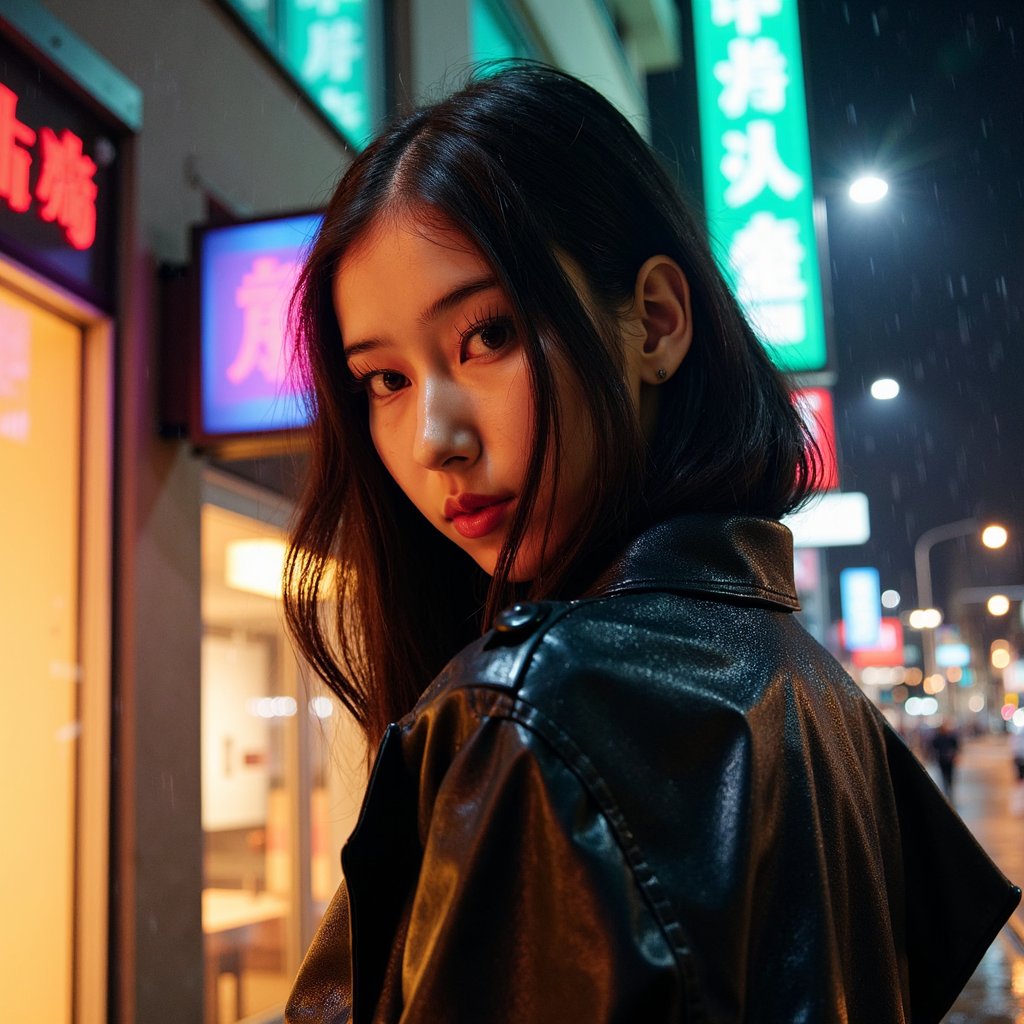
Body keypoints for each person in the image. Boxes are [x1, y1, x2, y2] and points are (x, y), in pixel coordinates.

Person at [282, 64, 1018, 1024]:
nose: (434, 438)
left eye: (487, 335)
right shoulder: (809, 689)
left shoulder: (539, 711)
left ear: (656, 323)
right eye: (384, 381)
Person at [931, 718, 961, 799]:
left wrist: (955, 756)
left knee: (949, 775)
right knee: (944, 775)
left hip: (949, 760)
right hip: (942, 759)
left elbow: (956, 747)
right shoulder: (938, 738)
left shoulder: (951, 737)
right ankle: (946, 789)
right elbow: (933, 746)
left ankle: (949, 789)